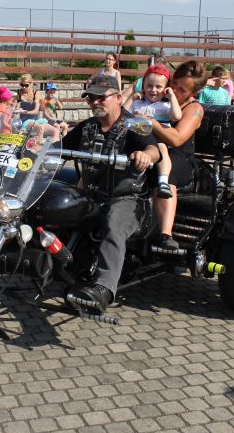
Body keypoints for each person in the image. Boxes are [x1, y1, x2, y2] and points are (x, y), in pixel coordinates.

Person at [60, 74, 160, 312]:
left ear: (118, 97)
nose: (95, 102)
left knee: (114, 224)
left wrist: (145, 155)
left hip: (127, 198)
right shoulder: (87, 127)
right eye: (90, 98)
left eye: (101, 97)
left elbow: (154, 149)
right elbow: (59, 148)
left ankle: (104, 289)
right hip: (91, 195)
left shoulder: (134, 124)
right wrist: (34, 149)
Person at [151, 60, 209, 249]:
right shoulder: (159, 96)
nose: (174, 90)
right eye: (174, 83)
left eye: (182, 90)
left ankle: (165, 234)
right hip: (152, 149)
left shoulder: (194, 109)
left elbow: (176, 139)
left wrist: (151, 122)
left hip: (180, 156)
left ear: (194, 93)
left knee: (166, 172)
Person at [123, 63, 181, 201]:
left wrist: (172, 96)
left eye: (158, 87)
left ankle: (163, 181)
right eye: (149, 85)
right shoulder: (138, 103)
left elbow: (176, 116)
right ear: (143, 85)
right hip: (139, 136)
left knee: (162, 150)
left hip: (158, 137)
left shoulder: (166, 105)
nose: (153, 90)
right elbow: (123, 115)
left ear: (166, 88)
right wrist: (131, 98)